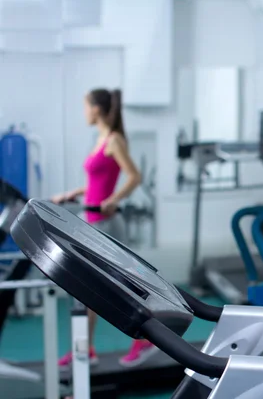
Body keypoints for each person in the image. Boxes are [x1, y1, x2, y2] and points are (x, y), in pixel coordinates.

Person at [51, 88, 157, 369]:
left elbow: (135, 176)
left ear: (96, 109)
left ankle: (144, 340)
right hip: (93, 221)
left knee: (121, 287)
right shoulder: (100, 139)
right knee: (87, 289)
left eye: (86, 106)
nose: (84, 112)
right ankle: (85, 349)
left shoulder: (114, 140)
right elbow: (99, 182)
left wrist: (113, 200)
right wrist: (74, 192)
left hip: (108, 223)